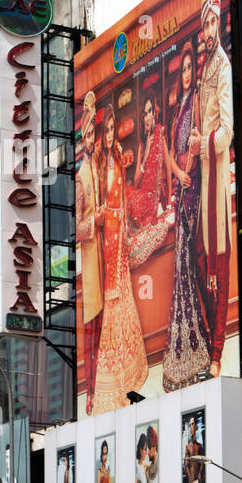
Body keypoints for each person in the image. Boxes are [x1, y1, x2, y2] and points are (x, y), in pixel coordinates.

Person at [189, 0, 237, 378]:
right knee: (200, 260)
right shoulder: (204, 70)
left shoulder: (222, 66)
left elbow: (228, 131)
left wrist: (202, 143)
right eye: (203, 25)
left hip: (218, 182)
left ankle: (218, 350)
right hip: (203, 181)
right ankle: (208, 342)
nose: (207, 31)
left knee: (219, 263)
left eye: (211, 24)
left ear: (218, 24)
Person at [160, 42, 213, 392]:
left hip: (192, 189)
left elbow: (194, 146)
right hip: (182, 186)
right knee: (180, 265)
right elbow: (170, 154)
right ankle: (181, 349)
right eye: (184, 69)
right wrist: (177, 174)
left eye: (191, 67)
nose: (188, 73)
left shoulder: (195, 103)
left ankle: (197, 345)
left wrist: (184, 173)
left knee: (188, 262)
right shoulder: (179, 107)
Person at [91, 103, 148, 413]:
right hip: (108, 231)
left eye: (114, 128)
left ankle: (130, 361)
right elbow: (101, 203)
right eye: (108, 129)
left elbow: (124, 192)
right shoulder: (102, 163)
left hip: (121, 223)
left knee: (123, 289)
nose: (112, 133)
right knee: (114, 293)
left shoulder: (116, 156)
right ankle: (112, 372)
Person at [75, 93, 105, 414]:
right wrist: (93, 222)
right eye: (89, 136)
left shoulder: (97, 167)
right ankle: (91, 391)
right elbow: (76, 225)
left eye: (94, 134)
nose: (92, 140)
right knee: (90, 330)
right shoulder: (82, 177)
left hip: (104, 258)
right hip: (89, 265)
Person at [127, 92, 175, 266]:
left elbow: (168, 169)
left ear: (155, 114)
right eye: (144, 114)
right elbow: (137, 181)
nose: (147, 117)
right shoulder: (142, 145)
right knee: (127, 196)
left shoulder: (160, 135)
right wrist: (146, 154)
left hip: (154, 200)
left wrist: (169, 201)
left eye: (149, 112)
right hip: (143, 196)